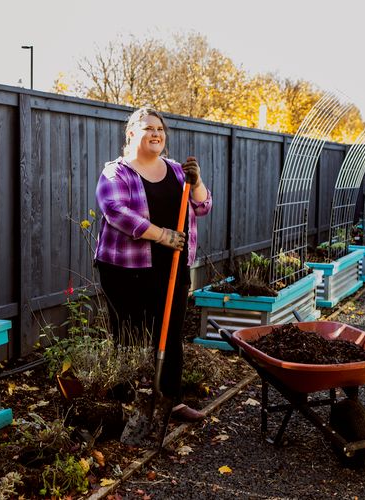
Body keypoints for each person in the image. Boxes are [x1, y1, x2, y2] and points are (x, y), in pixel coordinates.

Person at [94, 107, 212, 422]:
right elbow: (115, 211)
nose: (156, 133)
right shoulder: (116, 172)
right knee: (129, 333)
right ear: (131, 133)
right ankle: (125, 402)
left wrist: (197, 181)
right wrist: (162, 236)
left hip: (174, 265)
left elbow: (202, 206)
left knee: (171, 334)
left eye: (160, 128)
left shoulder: (176, 171)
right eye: (148, 128)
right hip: (125, 270)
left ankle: (170, 400)